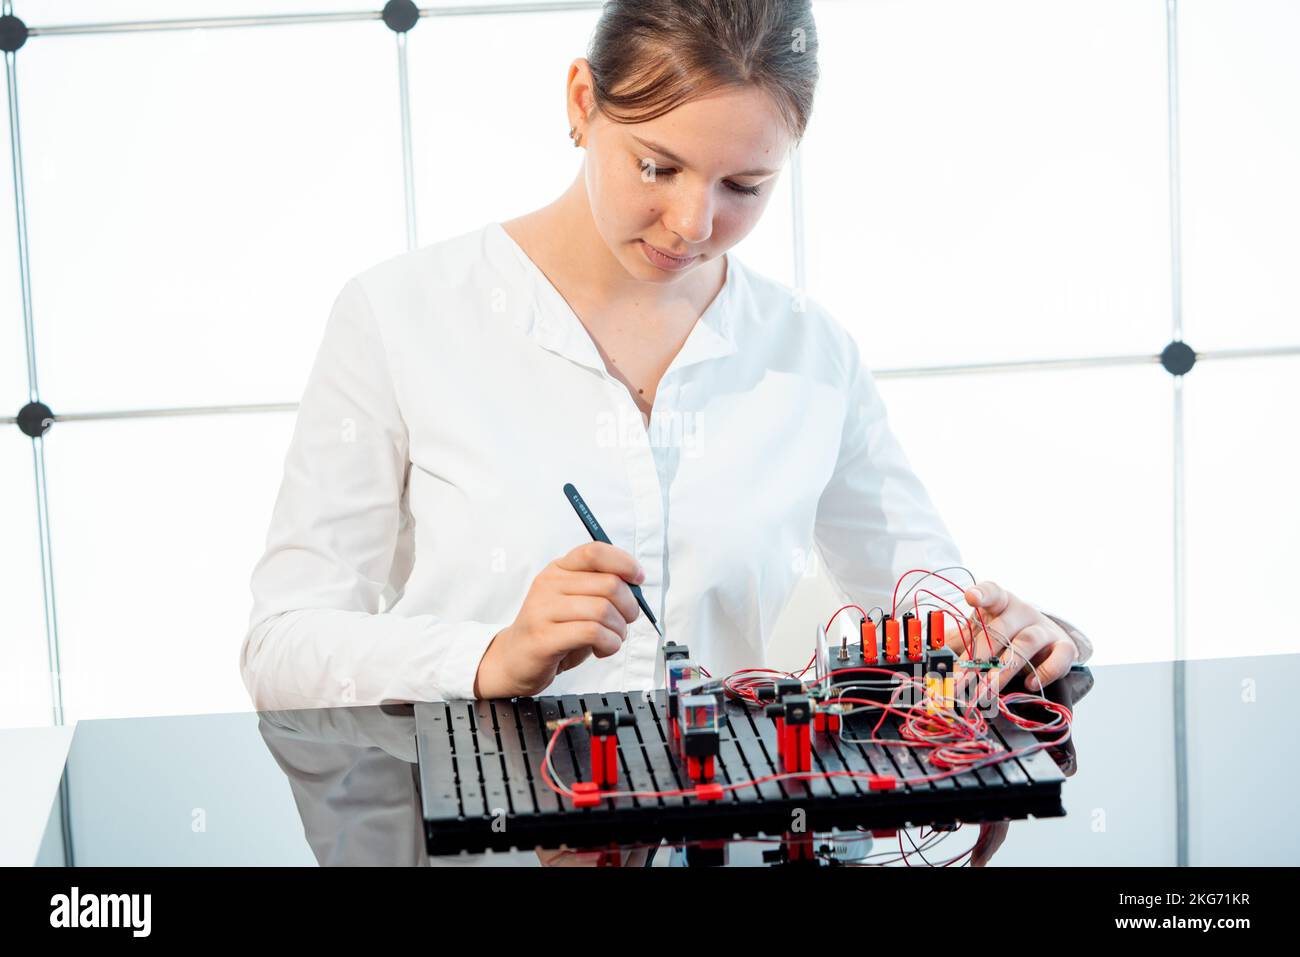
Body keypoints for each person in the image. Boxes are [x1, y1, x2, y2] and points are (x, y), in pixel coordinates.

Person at [241, 0, 1091, 714]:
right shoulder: (401, 318)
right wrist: (487, 657)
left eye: (744, 188)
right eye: (657, 166)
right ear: (581, 101)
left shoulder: (809, 354)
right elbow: (282, 646)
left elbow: (932, 609)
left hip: (732, 825)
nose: (692, 224)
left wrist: (1027, 639)